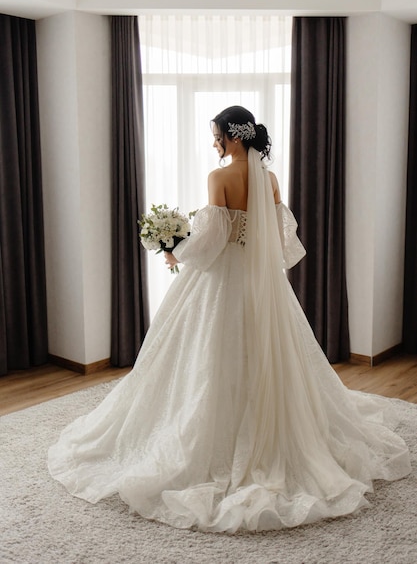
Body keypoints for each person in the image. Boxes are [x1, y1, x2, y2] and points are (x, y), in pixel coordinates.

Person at [48, 105, 410, 533]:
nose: (214, 142)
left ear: (234, 137)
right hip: (263, 284)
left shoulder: (218, 178)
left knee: (205, 352)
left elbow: (212, 241)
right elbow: (280, 241)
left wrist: (175, 249)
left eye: (217, 134)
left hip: (222, 281)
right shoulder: (270, 179)